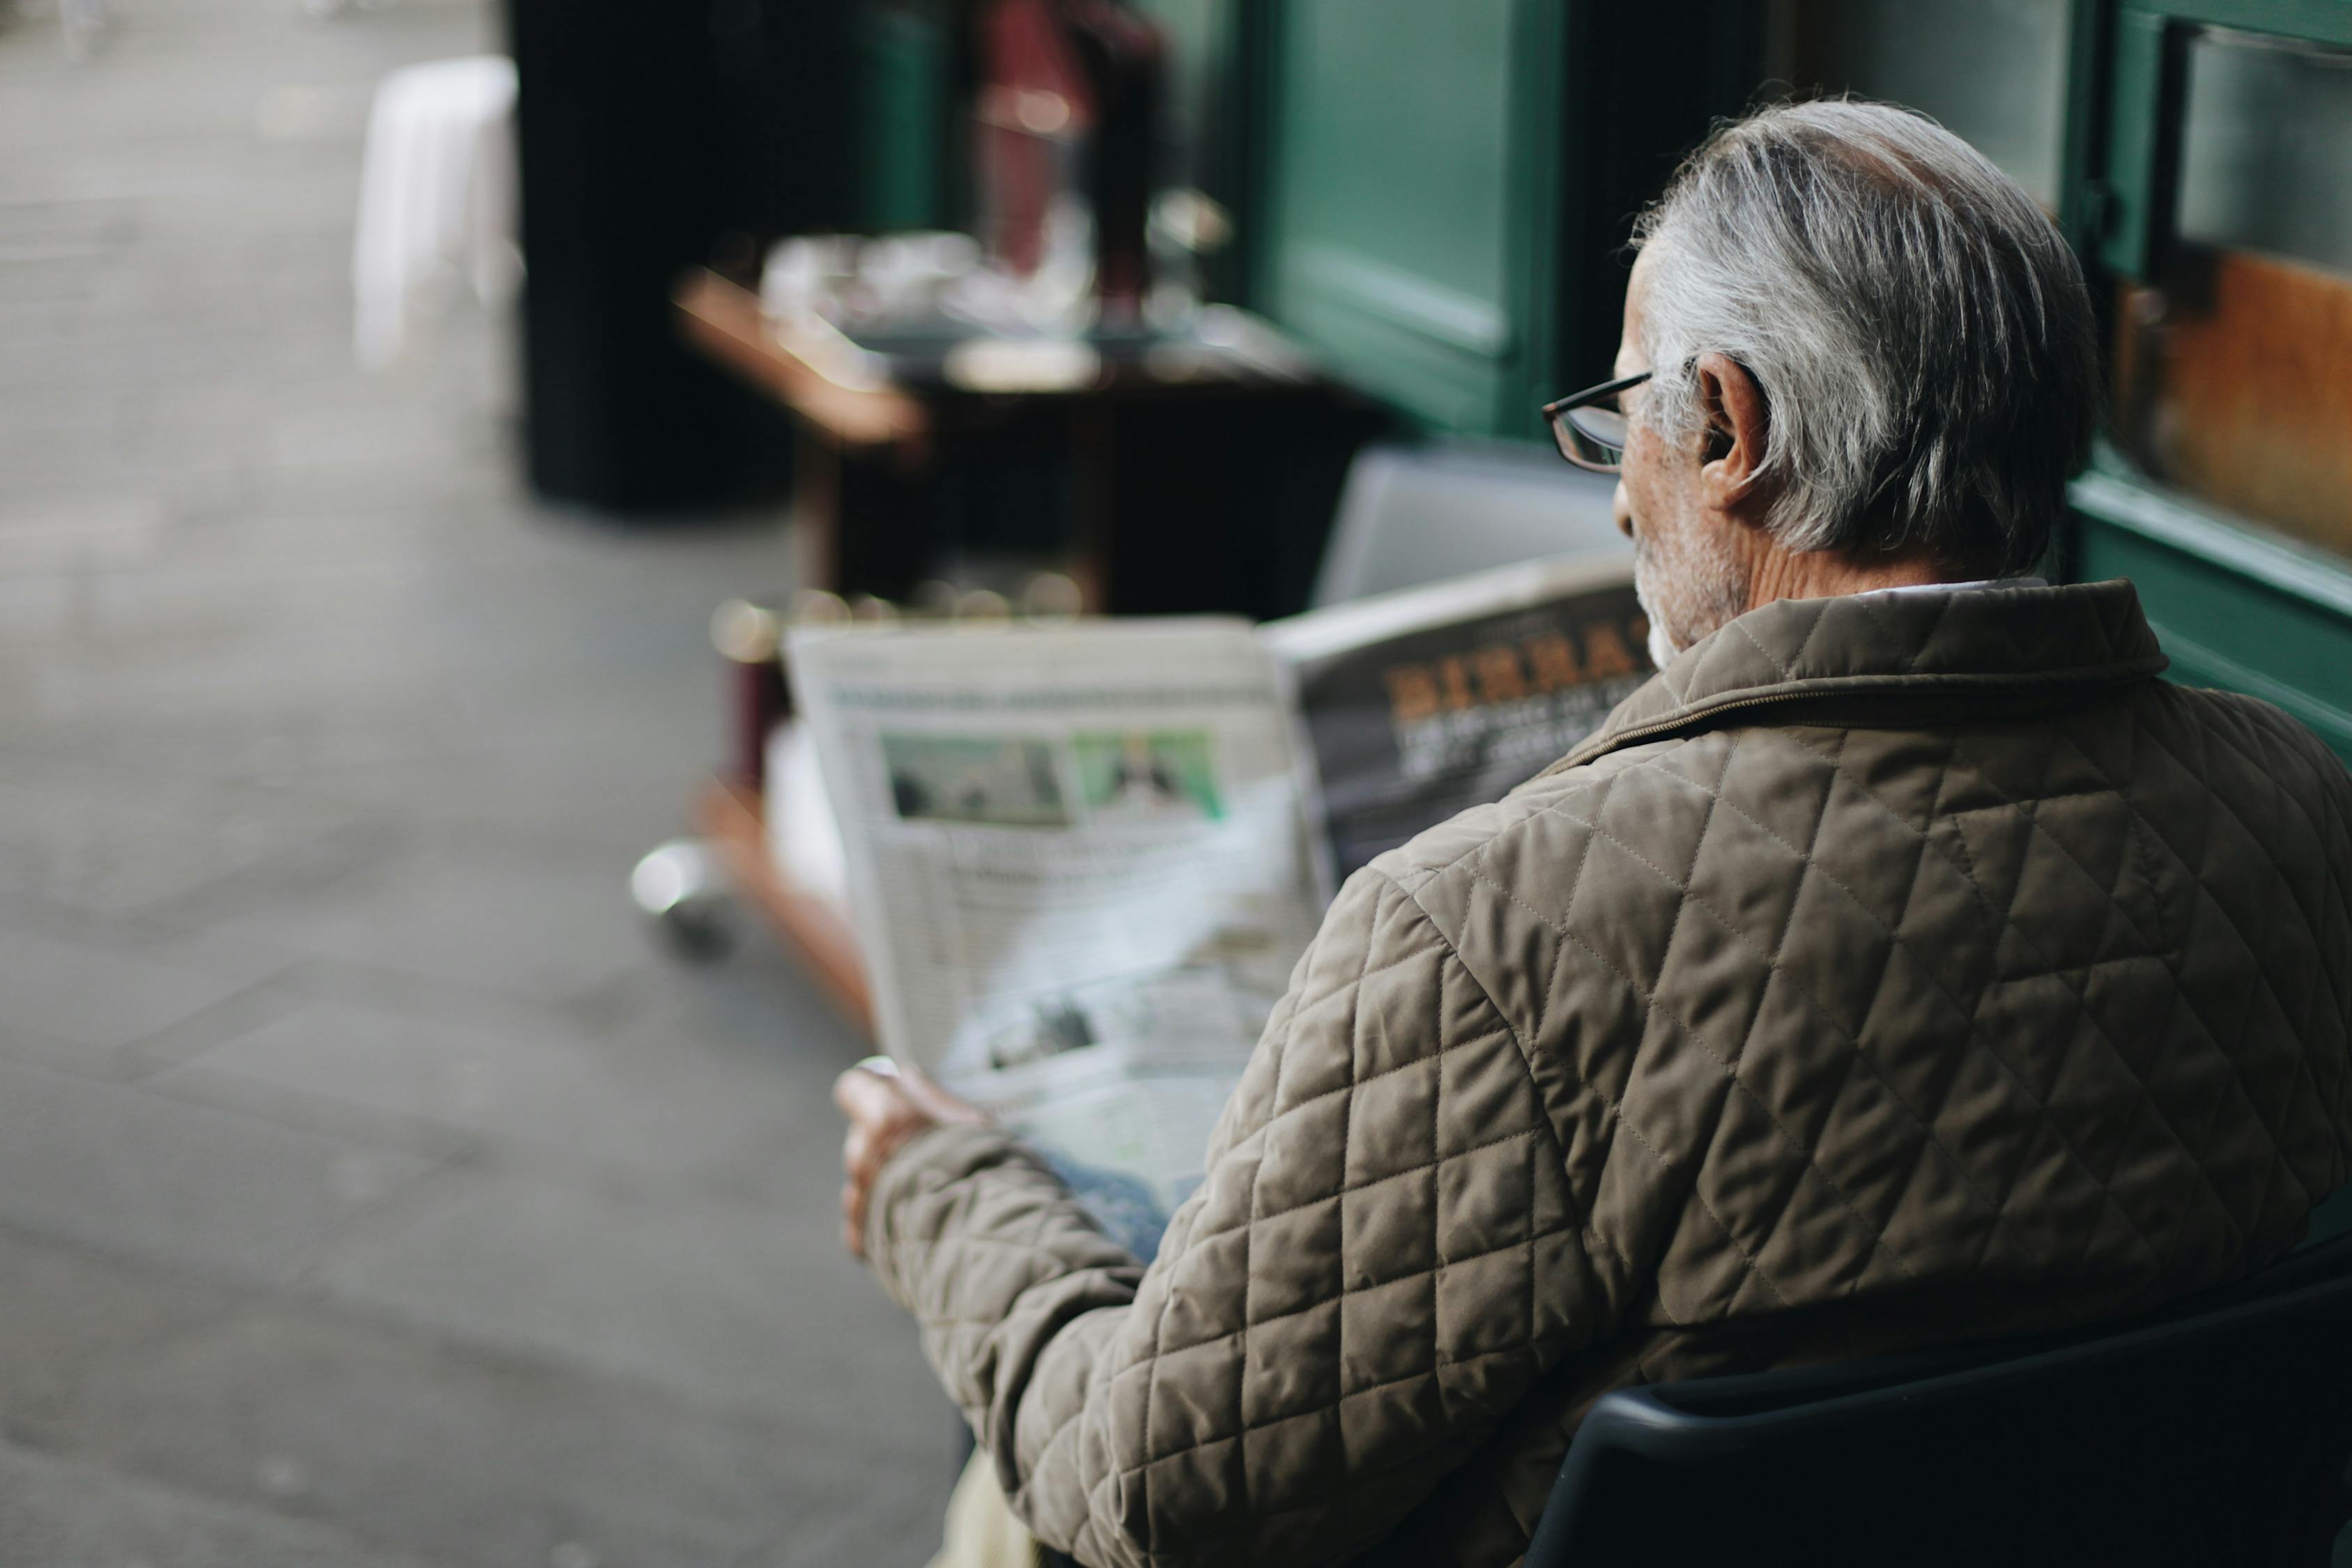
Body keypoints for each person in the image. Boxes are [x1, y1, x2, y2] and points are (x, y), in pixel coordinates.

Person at [831, 100, 2352, 1568]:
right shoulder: (2296, 805)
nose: (1619, 502)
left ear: (1727, 425)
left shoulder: (1493, 931)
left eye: (1624, 409)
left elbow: (1156, 1502)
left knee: (1021, 1476)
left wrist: (938, 1191)